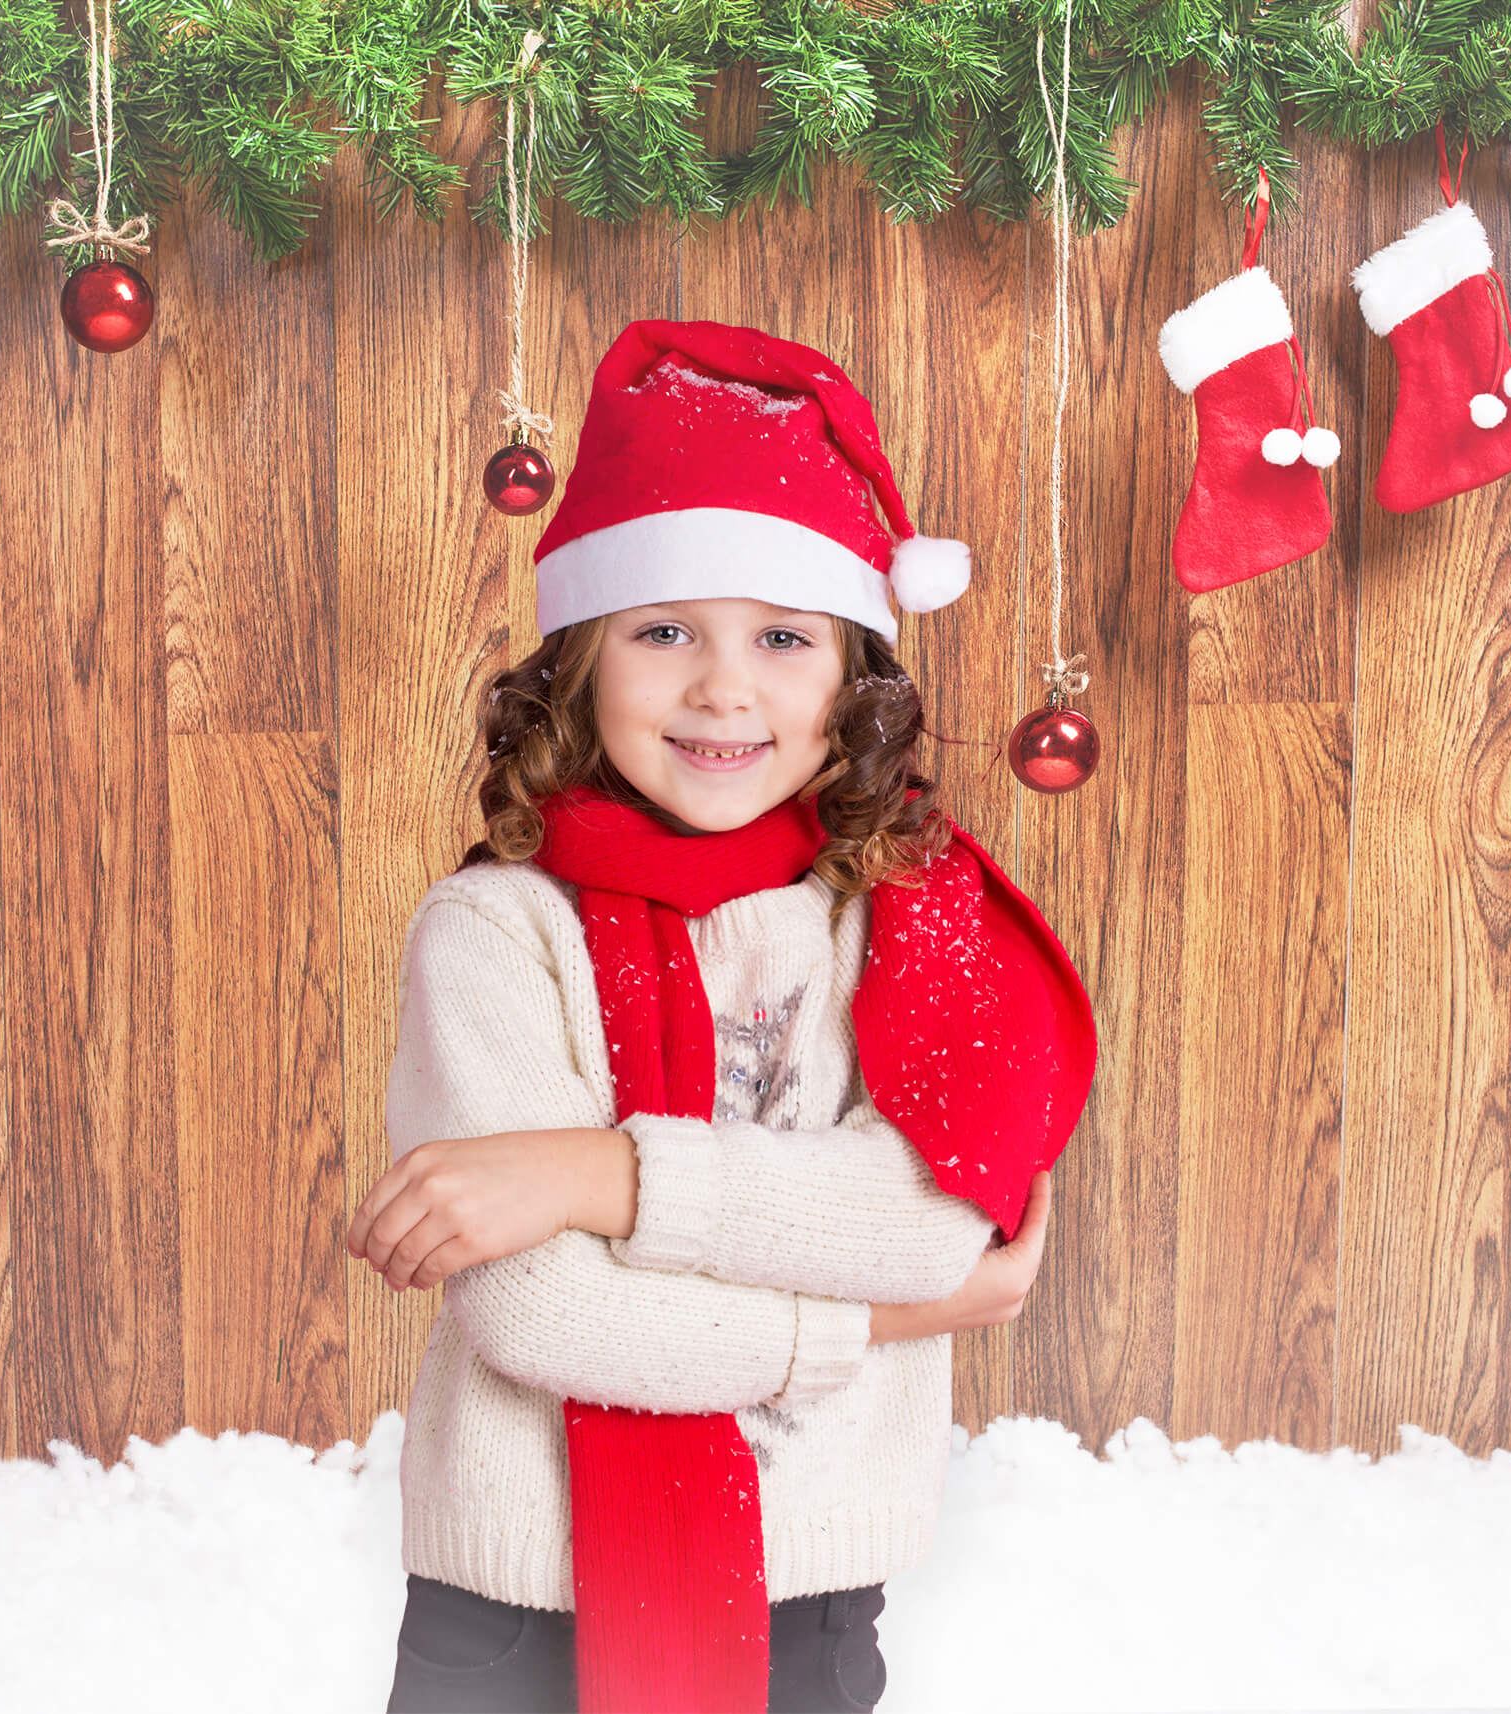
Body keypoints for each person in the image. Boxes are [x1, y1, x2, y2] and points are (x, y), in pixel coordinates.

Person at [347, 319, 1098, 1714]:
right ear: (582, 660)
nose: (723, 686)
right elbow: (540, 1308)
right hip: (512, 1607)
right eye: (663, 630)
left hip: (811, 1597)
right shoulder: (495, 931)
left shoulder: (910, 913)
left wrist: (594, 1175)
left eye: (783, 636)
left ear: (853, 678)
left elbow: (930, 1224)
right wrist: (869, 1323)